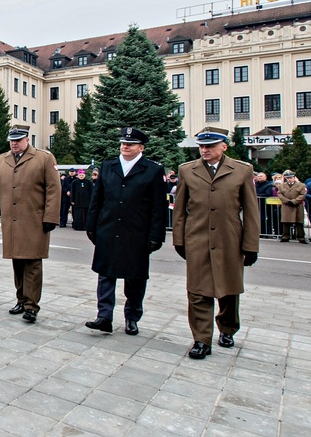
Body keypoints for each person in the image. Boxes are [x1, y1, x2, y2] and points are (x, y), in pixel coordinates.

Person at [171, 127, 259, 359]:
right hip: (197, 238)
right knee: (197, 291)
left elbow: (251, 211)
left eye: (210, 145)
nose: (205, 150)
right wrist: (179, 240)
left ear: (224, 146)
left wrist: (251, 245)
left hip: (230, 240)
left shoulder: (242, 170)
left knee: (228, 290)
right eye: (202, 146)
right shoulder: (188, 171)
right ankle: (201, 339)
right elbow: (179, 210)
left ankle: (228, 327)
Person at [84, 127, 166, 336]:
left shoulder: (153, 170)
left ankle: (132, 317)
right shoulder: (108, 166)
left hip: (136, 233)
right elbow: (97, 200)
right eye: (123, 143)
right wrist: (91, 226)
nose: (125, 147)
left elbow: (158, 208)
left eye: (130, 144)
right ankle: (104, 316)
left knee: (135, 278)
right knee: (105, 275)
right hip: (108, 229)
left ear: (141, 147)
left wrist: (156, 236)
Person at [0, 125, 61, 323]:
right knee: (17, 260)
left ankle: (31, 306)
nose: (14, 143)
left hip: (35, 220)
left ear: (27, 139)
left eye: (18, 139)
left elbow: (53, 188)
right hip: (11, 221)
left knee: (33, 262)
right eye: (12, 140)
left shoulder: (43, 158)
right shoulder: (0, 161)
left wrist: (51, 217)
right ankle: (21, 299)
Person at [277, 170, 307, 243]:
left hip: (297, 205)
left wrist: (294, 201)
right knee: (285, 221)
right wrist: (287, 201)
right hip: (286, 205)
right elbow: (280, 194)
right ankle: (285, 236)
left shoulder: (301, 185)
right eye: (288, 178)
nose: (289, 179)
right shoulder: (281, 186)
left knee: (299, 221)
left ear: (294, 178)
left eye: (291, 178)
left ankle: (301, 237)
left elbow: (303, 195)